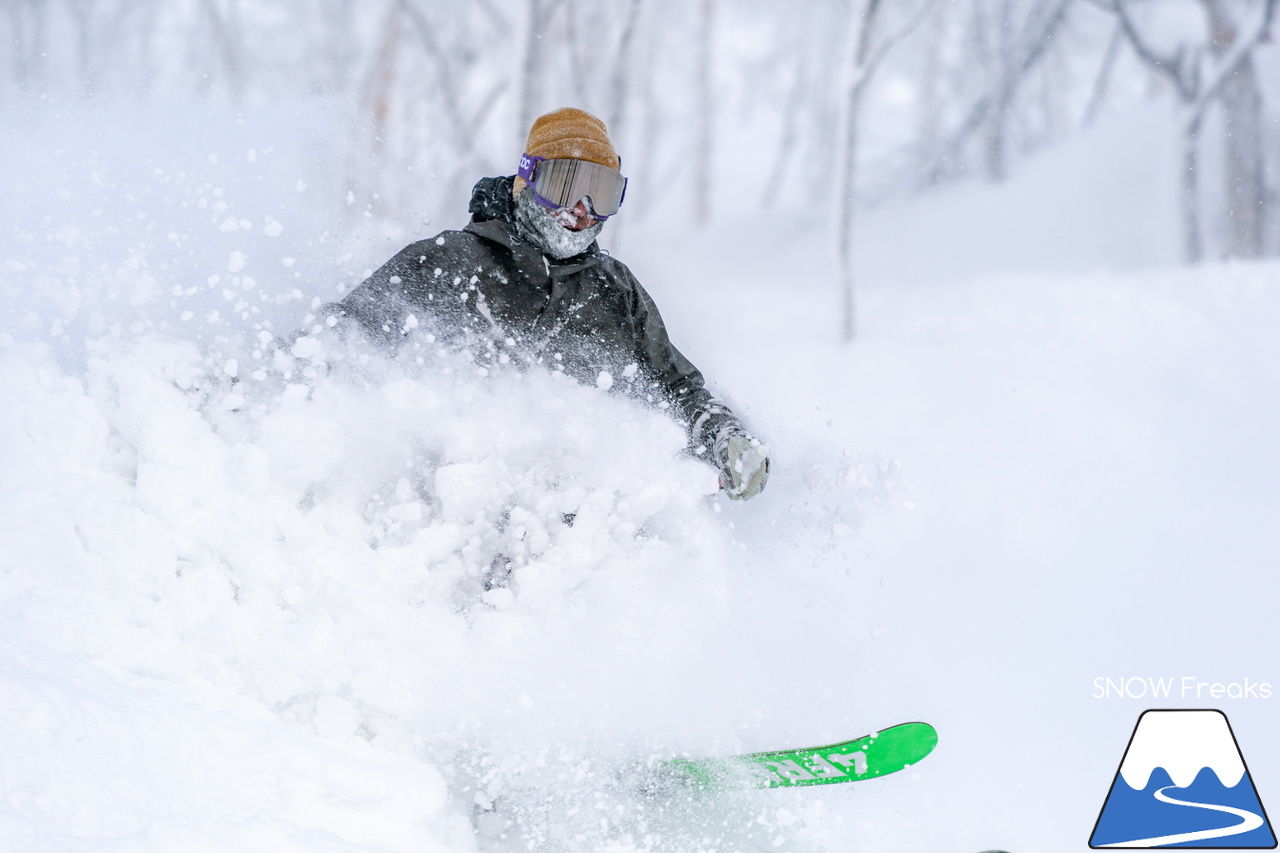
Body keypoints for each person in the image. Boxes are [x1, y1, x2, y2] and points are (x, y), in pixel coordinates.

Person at [308, 107, 769, 500]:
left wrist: (722, 436)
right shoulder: (452, 262)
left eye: (602, 193)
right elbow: (345, 339)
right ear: (525, 181)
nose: (582, 209)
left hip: (575, 535)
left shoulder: (614, 290)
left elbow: (675, 389)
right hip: (452, 506)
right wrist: (273, 383)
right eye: (566, 185)